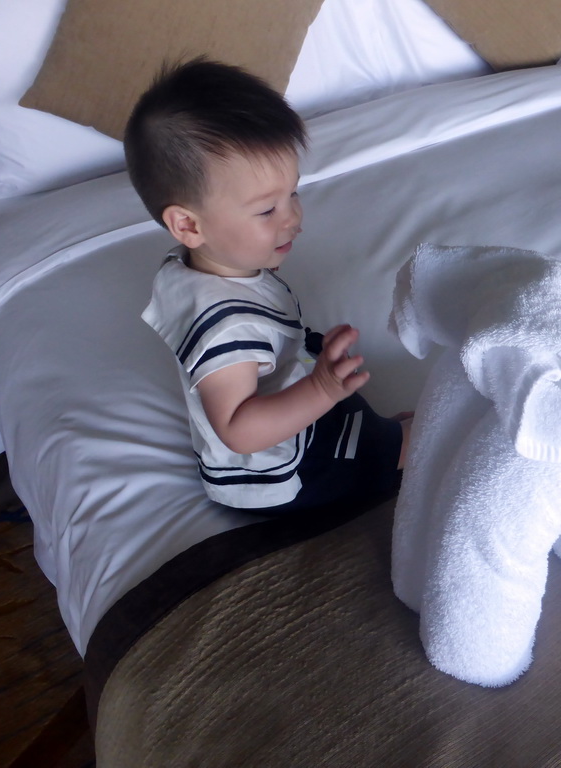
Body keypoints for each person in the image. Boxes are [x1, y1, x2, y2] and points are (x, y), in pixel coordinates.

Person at [126, 58, 409, 513]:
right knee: (417, 440)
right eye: (265, 211)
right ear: (188, 225)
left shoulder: (204, 263)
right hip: (280, 475)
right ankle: (391, 452)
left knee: (358, 411)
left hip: (285, 401)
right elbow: (238, 429)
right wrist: (319, 390)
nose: (293, 217)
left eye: (292, 194)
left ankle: (376, 435)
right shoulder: (226, 330)